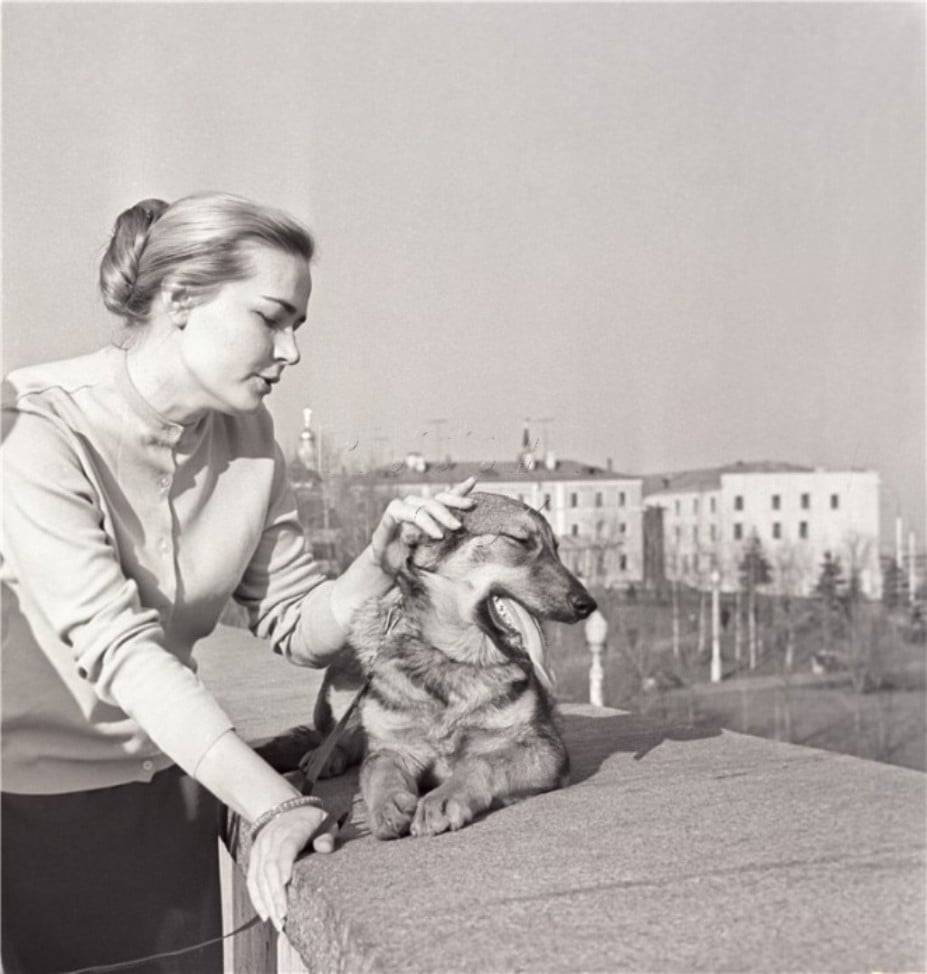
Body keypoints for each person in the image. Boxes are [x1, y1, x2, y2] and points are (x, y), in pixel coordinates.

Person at [0, 191, 475, 973]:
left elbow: (293, 622)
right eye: (272, 317)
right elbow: (121, 652)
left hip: (176, 796)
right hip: (33, 816)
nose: (289, 351)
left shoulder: (248, 436)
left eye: (298, 327)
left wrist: (379, 561)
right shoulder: (36, 426)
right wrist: (276, 803)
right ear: (182, 300)